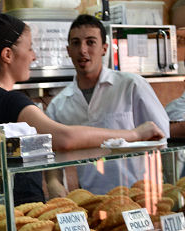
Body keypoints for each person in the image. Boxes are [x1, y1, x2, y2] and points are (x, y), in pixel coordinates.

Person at [0, 13, 165, 204]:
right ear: (7, 55)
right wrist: (135, 133)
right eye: (30, 48)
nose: (34, 56)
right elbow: (64, 138)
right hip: (19, 213)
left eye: (91, 42)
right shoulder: (11, 102)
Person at [44, 14, 170, 195]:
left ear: (104, 48)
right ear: (68, 50)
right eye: (76, 43)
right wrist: (53, 181)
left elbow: (162, 136)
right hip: (93, 200)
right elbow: (51, 153)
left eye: (90, 42)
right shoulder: (58, 105)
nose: (83, 50)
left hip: (140, 194)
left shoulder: (131, 85)